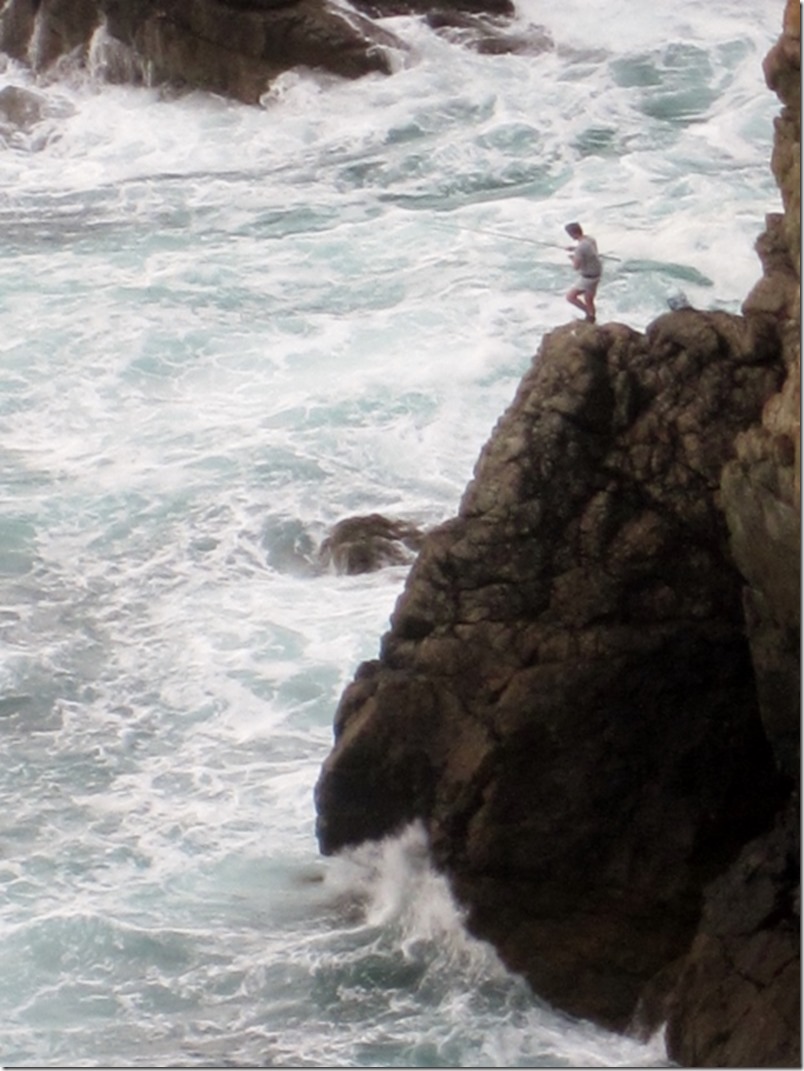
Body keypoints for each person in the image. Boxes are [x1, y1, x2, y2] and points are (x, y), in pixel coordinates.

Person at [564, 222, 601, 323]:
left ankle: (589, 314)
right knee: (589, 299)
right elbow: (587, 249)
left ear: (572, 234)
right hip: (596, 273)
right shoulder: (590, 239)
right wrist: (574, 249)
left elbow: (576, 266)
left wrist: (572, 258)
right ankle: (591, 316)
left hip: (588, 277)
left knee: (570, 297)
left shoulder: (580, 249)